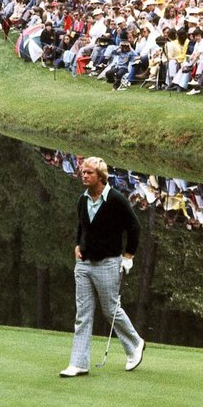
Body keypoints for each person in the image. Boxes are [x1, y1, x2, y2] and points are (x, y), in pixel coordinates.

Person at [61, 156, 146, 377]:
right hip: (84, 264)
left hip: (108, 263)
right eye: (83, 172)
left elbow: (134, 227)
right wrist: (78, 244)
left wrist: (128, 255)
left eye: (89, 173)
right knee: (83, 314)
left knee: (110, 310)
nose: (84, 175)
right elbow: (82, 226)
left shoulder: (116, 199)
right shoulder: (82, 199)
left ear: (100, 176)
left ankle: (135, 344)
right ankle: (79, 362)